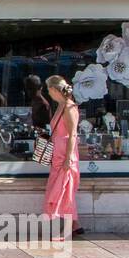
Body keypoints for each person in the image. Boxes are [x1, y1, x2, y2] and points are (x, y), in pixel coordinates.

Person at [44, 74, 84, 239]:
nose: (48, 93)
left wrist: (68, 158)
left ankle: (68, 229)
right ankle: (76, 225)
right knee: (61, 190)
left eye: (48, 89)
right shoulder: (60, 106)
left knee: (63, 192)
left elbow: (73, 134)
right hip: (58, 155)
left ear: (54, 89)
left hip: (65, 156)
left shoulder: (69, 108)